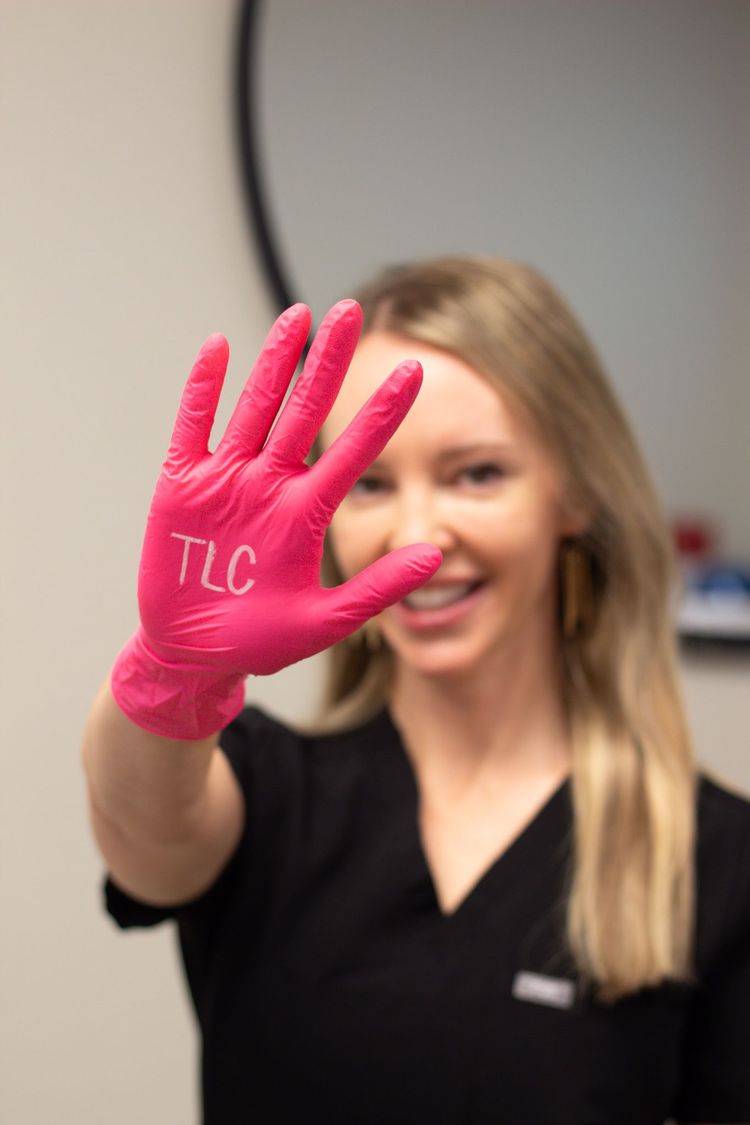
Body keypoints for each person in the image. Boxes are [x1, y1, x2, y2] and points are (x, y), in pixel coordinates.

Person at [82, 256, 750, 1125]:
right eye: (369, 483)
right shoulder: (268, 792)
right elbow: (145, 830)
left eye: (478, 473)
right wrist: (174, 666)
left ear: (576, 491)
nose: (416, 537)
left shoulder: (713, 856)